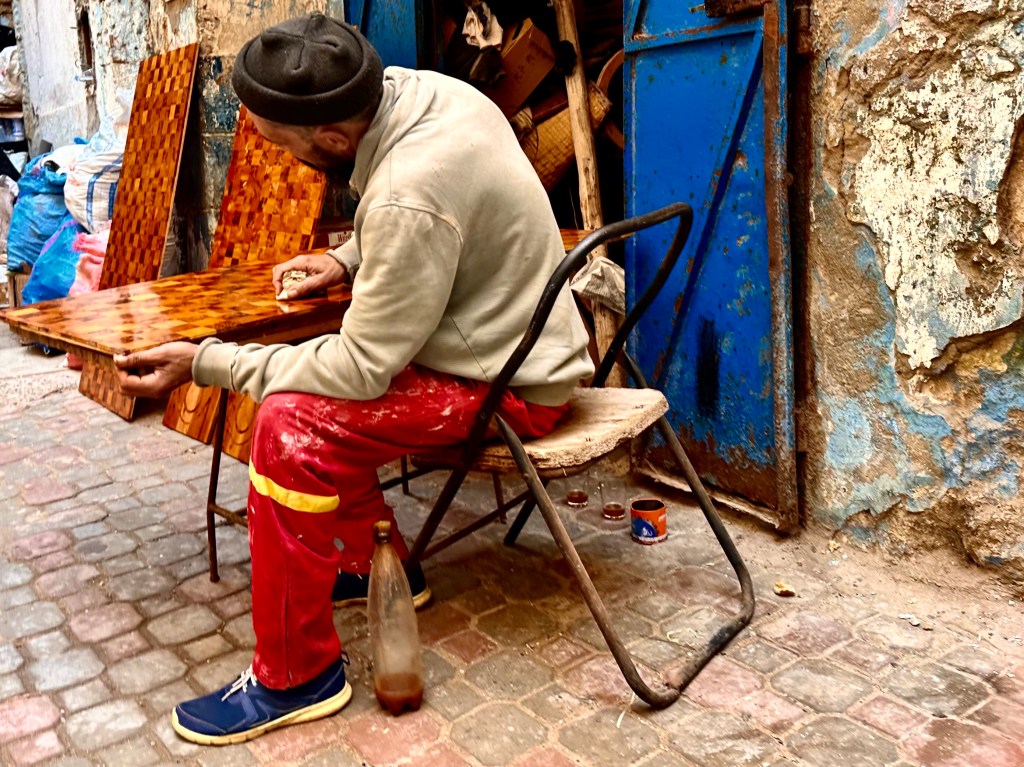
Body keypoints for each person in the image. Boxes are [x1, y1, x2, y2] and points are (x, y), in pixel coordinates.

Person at [115, 12, 593, 746]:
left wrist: (204, 361)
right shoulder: (427, 95)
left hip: (514, 389)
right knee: (316, 382)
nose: (283, 157)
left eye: (286, 146)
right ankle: (382, 564)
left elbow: (362, 368)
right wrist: (345, 260)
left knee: (291, 424)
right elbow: (416, 213)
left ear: (335, 139)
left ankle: (297, 674)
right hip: (517, 343)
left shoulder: (407, 191)